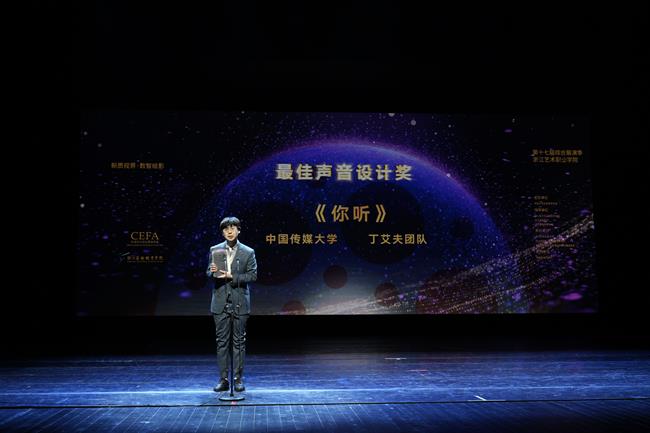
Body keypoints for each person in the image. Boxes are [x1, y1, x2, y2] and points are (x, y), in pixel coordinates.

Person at [206, 216, 257, 392]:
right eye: (226, 228)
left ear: (238, 230)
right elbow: (209, 272)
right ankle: (223, 380)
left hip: (240, 302)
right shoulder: (215, 249)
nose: (229, 231)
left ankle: (237, 379)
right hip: (220, 302)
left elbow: (252, 275)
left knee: (239, 342)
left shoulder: (248, 252)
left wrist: (232, 277)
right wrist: (212, 271)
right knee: (221, 342)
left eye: (233, 228)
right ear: (222, 232)